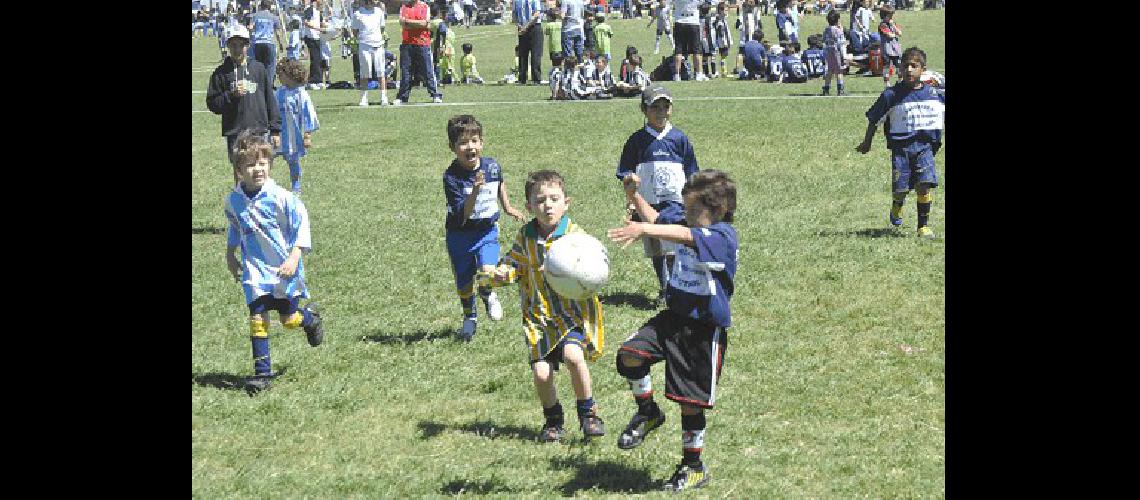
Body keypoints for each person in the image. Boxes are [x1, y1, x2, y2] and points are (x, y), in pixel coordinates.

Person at [606, 168, 738, 492]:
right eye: (686, 208)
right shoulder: (688, 221)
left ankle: (693, 466)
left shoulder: (721, 236)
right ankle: (647, 412)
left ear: (718, 211)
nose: (686, 216)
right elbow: (663, 219)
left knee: (689, 402)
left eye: (694, 210)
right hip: (672, 318)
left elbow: (685, 236)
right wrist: (633, 197)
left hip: (703, 331)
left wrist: (645, 228)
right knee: (629, 356)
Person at [489, 169, 607, 443]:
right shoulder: (526, 236)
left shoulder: (575, 237)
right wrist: (501, 274)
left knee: (573, 357)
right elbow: (514, 263)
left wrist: (563, 268)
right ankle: (553, 420)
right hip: (538, 317)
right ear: (529, 206)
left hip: (571, 314)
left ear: (567, 202)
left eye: (554, 198)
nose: (548, 205)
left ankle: (589, 413)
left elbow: (594, 265)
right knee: (542, 374)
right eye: (540, 200)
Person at [224, 129, 326, 395]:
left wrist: (294, 257)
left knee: (289, 319)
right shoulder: (233, 201)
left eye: (263, 163)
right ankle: (262, 374)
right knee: (257, 319)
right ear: (238, 169)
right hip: (255, 272)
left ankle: (310, 320)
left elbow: (301, 224)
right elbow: (234, 227)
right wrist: (230, 255)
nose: (258, 169)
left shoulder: (282, 198)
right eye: (250, 164)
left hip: (283, 269)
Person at [442, 115, 526, 341]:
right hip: (460, 236)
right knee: (464, 281)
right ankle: (470, 317)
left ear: (482, 143)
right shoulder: (452, 177)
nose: (470, 147)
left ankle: (488, 293)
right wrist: (476, 190)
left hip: (486, 231)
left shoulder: (492, 166)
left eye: (474, 141)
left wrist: (508, 207)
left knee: (488, 270)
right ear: (452, 147)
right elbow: (463, 214)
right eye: (462, 143)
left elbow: (500, 183)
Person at [615, 84, 699, 307]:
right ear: (644, 110)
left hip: (675, 203)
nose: (661, 112)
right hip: (647, 203)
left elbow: (692, 171)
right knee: (655, 248)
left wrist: (693, 198)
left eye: (666, 106)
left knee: (673, 244)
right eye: (655, 107)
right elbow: (624, 170)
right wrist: (630, 181)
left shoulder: (679, 139)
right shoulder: (637, 140)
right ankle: (664, 285)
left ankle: (676, 286)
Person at [855, 46, 944, 238]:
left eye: (914, 66)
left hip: (925, 147)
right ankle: (897, 203)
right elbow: (874, 119)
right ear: (900, 69)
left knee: (924, 184)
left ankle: (923, 226)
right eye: (906, 66)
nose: (910, 70)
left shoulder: (934, 94)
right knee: (901, 188)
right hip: (901, 149)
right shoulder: (891, 95)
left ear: (923, 69)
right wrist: (867, 142)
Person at [207, 25, 282, 182]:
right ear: (227, 46)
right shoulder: (220, 73)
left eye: (241, 45)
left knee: (261, 167)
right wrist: (231, 95)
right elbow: (213, 104)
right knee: (241, 170)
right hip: (235, 131)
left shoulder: (259, 69)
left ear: (247, 45)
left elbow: (270, 99)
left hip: (259, 128)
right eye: (233, 45)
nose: (237, 49)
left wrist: (275, 129)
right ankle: (242, 203)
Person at [274, 58, 320, 195]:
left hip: (293, 135)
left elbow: (308, 114)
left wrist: (307, 135)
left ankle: (296, 184)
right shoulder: (279, 92)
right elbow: (273, 110)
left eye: (280, 75)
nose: (279, 78)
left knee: (292, 160)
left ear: (290, 74)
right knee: (268, 155)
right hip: (278, 133)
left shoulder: (301, 94)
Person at [395, 0, 444, 104]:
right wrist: (417, 24)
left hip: (422, 43)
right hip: (407, 43)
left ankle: (435, 94)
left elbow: (425, 23)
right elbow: (402, 23)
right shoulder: (404, 7)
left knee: (427, 70)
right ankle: (402, 96)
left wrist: (408, 22)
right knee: (406, 71)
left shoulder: (424, 6)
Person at [352, 0, 390, 106]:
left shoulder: (379, 12)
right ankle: (364, 98)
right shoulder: (358, 14)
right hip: (364, 45)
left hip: (378, 45)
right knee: (365, 72)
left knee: (381, 72)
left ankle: (383, 97)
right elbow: (355, 31)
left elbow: (382, 28)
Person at [247, 0, 286, 89]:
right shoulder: (274, 17)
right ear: (270, 7)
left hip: (257, 43)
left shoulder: (255, 16)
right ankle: (268, 85)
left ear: (261, 6)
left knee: (259, 64)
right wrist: (280, 44)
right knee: (270, 65)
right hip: (269, 43)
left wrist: (249, 40)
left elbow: (251, 28)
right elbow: (278, 33)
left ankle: (259, 84)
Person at [672, 0, 708, 81]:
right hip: (693, 21)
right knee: (696, 50)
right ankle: (698, 74)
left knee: (679, 50)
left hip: (680, 21)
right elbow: (702, 3)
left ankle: (677, 75)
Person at [513, 0, 545, 85]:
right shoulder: (517, 1)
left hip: (534, 27)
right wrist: (519, 26)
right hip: (522, 28)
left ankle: (536, 79)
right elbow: (514, 14)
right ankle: (522, 78)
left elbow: (536, 14)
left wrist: (526, 26)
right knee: (522, 55)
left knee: (535, 54)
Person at [820, 10, 847, 95]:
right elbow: (841, 42)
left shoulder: (826, 29)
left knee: (830, 71)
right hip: (837, 52)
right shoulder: (838, 30)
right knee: (839, 72)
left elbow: (823, 40)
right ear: (838, 20)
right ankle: (840, 89)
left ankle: (826, 89)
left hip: (828, 51)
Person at [302, 0, 327, 89]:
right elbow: (306, 22)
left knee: (319, 59)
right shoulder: (309, 9)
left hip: (317, 37)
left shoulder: (318, 12)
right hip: (310, 37)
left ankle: (319, 80)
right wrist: (317, 28)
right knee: (315, 58)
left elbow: (322, 23)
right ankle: (312, 81)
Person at [877, 4, 902, 86]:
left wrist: (893, 25)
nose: (891, 17)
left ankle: (900, 81)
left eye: (892, 15)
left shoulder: (893, 23)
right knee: (886, 66)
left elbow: (900, 33)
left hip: (895, 49)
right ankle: (887, 83)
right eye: (889, 15)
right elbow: (889, 35)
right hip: (886, 49)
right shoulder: (882, 25)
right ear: (884, 16)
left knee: (898, 64)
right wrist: (894, 33)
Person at [710, 2, 732, 78]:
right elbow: (721, 32)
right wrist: (724, 41)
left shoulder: (722, 19)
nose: (727, 12)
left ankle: (720, 71)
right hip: (722, 41)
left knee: (722, 56)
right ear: (720, 11)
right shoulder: (719, 20)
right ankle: (724, 72)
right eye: (725, 10)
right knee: (723, 56)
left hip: (721, 41)